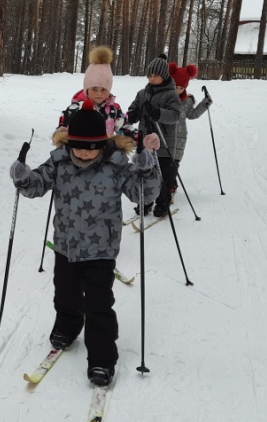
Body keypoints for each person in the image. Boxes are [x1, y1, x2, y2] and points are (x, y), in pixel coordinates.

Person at [9, 105, 162, 387]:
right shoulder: (59, 161)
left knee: (98, 305)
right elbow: (36, 186)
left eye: (90, 149)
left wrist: (147, 169)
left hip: (101, 249)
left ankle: (102, 358)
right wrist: (23, 178)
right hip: (65, 245)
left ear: (101, 144)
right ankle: (68, 325)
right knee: (65, 294)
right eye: (77, 148)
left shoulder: (116, 164)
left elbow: (144, 194)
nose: (82, 154)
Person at [125, 56, 184, 218]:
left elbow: (175, 115)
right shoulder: (142, 93)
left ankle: (163, 203)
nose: (152, 78)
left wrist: (158, 113)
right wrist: (132, 115)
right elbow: (133, 110)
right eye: (150, 75)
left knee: (164, 175)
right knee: (144, 172)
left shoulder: (171, 95)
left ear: (164, 75)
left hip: (164, 142)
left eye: (156, 75)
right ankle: (145, 201)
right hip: (145, 141)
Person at [164, 62, 212, 201]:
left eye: (181, 88)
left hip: (180, 137)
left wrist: (204, 104)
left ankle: (171, 187)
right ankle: (165, 185)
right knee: (165, 162)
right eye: (175, 87)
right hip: (166, 135)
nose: (178, 90)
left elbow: (192, 115)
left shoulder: (187, 101)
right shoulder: (165, 99)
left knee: (174, 163)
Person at [57, 46, 127, 136]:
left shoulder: (114, 109)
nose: (99, 93)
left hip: (106, 145)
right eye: (94, 89)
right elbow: (63, 127)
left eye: (103, 89)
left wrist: (138, 137)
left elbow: (123, 128)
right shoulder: (75, 109)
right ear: (87, 90)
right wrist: (60, 134)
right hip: (80, 145)